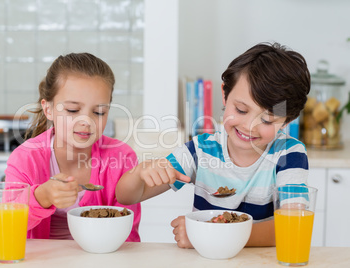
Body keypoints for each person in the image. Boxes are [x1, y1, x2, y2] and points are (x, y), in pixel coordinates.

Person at [115, 42, 310, 248]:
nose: (249, 126)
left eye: (267, 120)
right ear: (225, 95)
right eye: (241, 110)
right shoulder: (202, 150)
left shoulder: (288, 154)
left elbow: (293, 226)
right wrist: (139, 174)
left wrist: (209, 235)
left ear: (287, 120)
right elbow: (125, 197)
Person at [5, 53, 141, 241]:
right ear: (48, 109)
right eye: (72, 110)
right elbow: (7, 222)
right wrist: (42, 196)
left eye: (99, 112)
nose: (86, 121)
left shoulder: (122, 158)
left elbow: (128, 236)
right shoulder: (26, 158)